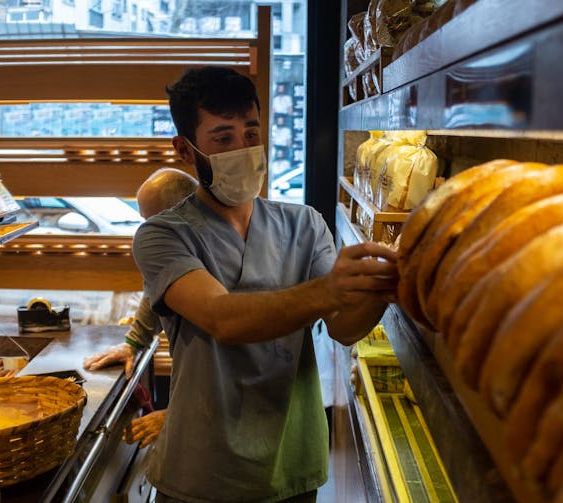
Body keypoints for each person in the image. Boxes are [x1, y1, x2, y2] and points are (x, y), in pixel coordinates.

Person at [132, 66, 398, 503]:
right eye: (223, 138)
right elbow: (223, 319)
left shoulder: (304, 224)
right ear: (184, 149)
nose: (243, 148)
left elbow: (344, 327)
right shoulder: (164, 235)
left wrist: (382, 288)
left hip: (290, 462)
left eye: (251, 133)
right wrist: (332, 288)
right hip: (205, 471)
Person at [83, 167, 199, 446]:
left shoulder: (220, 261)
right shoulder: (177, 250)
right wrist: (134, 342)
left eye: (150, 221)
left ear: (182, 214)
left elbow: (232, 365)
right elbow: (158, 284)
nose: (146, 232)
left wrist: (182, 415)